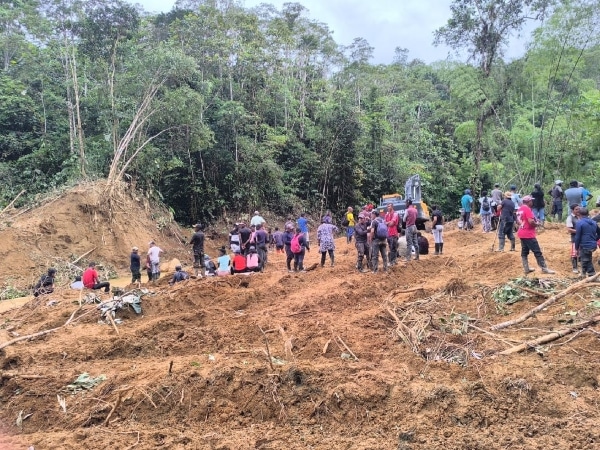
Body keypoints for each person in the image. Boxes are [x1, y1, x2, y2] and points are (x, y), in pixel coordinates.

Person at [516, 196, 555, 275]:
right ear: (528, 201)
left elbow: (518, 222)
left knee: (524, 251)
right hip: (528, 234)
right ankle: (544, 268)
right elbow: (531, 222)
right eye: (531, 201)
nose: (532, 202)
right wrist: (537, 224)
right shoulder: (527, 209)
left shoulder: (520, 209)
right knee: (537, 251)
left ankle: (526, 268)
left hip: (522, 232)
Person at [574, 207, 598, 277]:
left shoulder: (580, 223)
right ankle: (583, 273)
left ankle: (592, 274)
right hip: (593, 245)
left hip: (585, 244)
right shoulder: (594, 222)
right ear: (588, 214)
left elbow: (577, 237)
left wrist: (576, 247)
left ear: (579, 214)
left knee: (586, 259)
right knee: (585, 257)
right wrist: (595, 240)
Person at [566, 204, 581, 274]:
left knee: (582, 252)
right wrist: (578, 231)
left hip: (582, 238)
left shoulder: (581, 216)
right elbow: (569, 229)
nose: (578, 210)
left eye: (579, 209)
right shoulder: (570, 218)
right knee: (574, 253)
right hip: (575, 237)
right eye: (576, 209)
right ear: (572, 210)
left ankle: (582, 267)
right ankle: (575, 268)